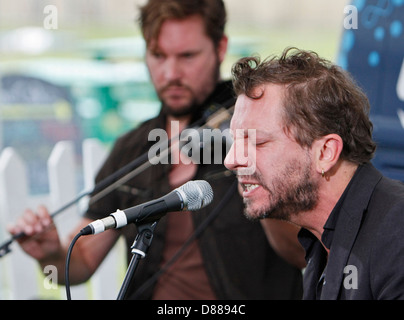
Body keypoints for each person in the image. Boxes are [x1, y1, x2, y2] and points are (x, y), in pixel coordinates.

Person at [8, 0, 305, 300]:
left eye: (187, 56)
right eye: (158, 55)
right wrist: (51, 254)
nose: (171, 73)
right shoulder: (132, 148)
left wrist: (258, 183)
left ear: (220, 48)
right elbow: (81, 263)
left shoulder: (258, 132)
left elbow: (301, 255)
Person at [225, 46, 404, 300]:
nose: (230, 160)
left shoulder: (396, 232)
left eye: (257, 142)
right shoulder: (321, 242)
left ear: (326, 153)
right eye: (234, 141)